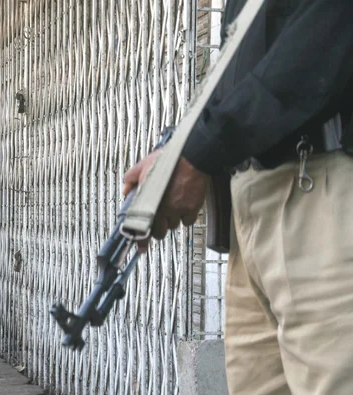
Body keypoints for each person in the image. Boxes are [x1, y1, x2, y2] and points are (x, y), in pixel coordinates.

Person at [123, 1, 353, 394]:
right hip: (251, 205)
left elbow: (322, 37)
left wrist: (203, 148)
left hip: (322, 187)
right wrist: (189, 147)